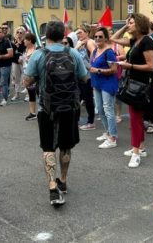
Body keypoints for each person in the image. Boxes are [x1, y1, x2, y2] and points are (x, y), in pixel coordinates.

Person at [22, 21, 87, 207]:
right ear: (63, 35)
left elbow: (27, 82)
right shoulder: (73, 53)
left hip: (46, 108)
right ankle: (63, 180)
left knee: (48, 147)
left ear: (46, 35)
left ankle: (52, 185)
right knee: (66, 146)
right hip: (69, 107)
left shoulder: (38, 55)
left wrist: (37, 78)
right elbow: (84, 77)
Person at [112, 14, 153, 168]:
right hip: (133, 83)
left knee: (136, 120)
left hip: (141, 85)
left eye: (131, 23)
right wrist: (124, 25)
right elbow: (114, 38)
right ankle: (140, 148)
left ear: (140, 25)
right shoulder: (134, 40)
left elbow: (151, 66)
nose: (128, 25)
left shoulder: (147, 42)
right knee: (134, 118)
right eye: (128, 23)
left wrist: (129, 66)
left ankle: (136, 153)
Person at [90, 27, 119, 149]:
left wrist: (98, 70)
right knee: (100, 110)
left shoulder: (109, 52)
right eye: (95, 36)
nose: (97, 38)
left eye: (100, 36)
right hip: (96, 83)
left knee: (108, 110)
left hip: (108, 84)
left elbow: (114, 69)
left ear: (106, 38)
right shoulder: (95, 50)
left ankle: (112, 138)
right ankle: (108, 132)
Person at [75, 24, 97, 131]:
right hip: (80, 75)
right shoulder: (80, 43)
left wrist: (90, 68)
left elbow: (95, 56)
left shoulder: (89, 42)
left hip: (87, 76)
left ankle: (91, 122)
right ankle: (75, 120)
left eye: (80, 32)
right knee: (77, 98)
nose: (78, 34)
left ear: (87, 33)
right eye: (77, 32)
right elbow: (73, 54)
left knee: (88, 99)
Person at [23, 32, 39, 120]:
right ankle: (32, 113)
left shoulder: (36, 50)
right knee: (31, 94)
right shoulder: (26, 49)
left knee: (39, 94)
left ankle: (42, 111)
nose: (24, 41)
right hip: (27, 75)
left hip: (35, 76)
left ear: (30, 40)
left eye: (25, 39)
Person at [11, 27, 27, 101]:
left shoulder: (25, 41)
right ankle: (16, 94)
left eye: (21, 33)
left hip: (23, 62)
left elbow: (26, 51)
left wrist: (22, 58)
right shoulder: (13, 41)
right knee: (16, 78)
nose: (19, 34)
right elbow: (11, 52)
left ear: (23, 34)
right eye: (17, 32)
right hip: (15, 62)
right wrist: (15, 46)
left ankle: (28, 94)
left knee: (25, 78)